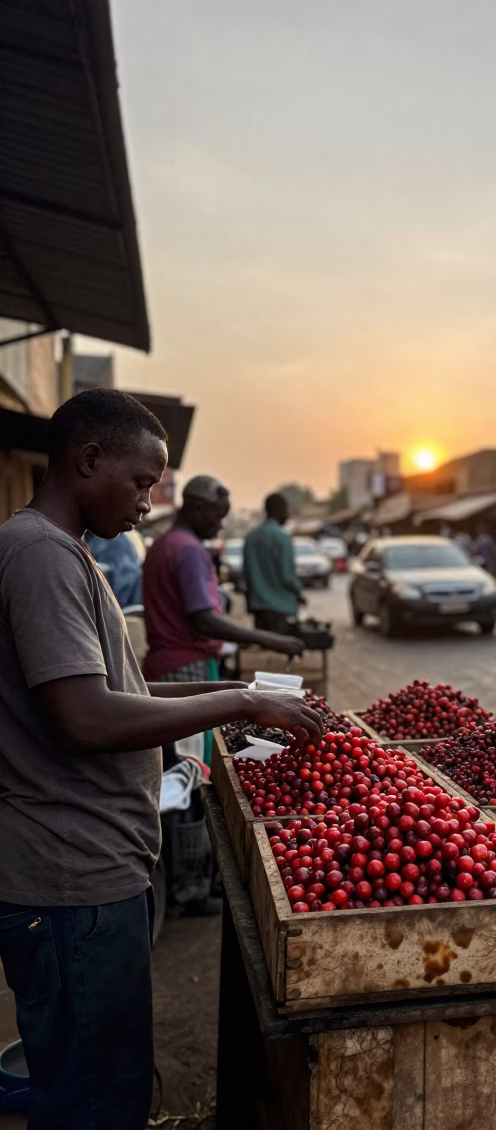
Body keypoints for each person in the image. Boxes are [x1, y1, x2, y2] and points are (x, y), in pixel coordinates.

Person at [0, 389, 323, 1130]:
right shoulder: (41, 556)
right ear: (88, 460)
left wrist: (231, 702)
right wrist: (241, 703)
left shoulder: (64, 553)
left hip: (88, 866)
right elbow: (84, 718)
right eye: (143, 483)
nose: (150, 503)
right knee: (95, 1100)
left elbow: (116, 689)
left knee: (99, 1080)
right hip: (67, 877)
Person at [142, 476, 305, 694]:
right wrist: (271, 640)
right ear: (198, 508)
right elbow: (204, 621)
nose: (219, 526)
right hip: (185, 666)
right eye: (217, 517)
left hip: (164, 665)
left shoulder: (165, 543)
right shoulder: (189, 550)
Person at [243, 492, 306, 635]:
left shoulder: (251, 538)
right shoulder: (282, 538)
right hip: (282, 608)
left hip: (258, 608)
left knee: (263, 647)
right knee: (280, 650)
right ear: (280, 510)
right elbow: (287, 577)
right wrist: (299, 593)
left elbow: (246, 575)